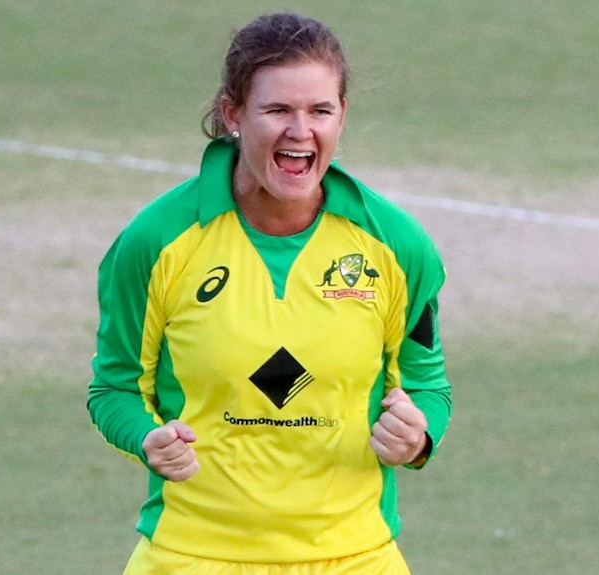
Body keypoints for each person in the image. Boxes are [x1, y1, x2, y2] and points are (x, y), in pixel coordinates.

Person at [87, 11, 451, 575]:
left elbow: (427, 386)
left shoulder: (398, 247)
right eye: (278, 110)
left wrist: (418, 436)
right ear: (233, 114)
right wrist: (146, 437)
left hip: (355, 558)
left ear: (342, 117)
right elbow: (113, 388)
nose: (300, 132)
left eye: (320, 111)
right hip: (192, 556)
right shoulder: (156, 242)